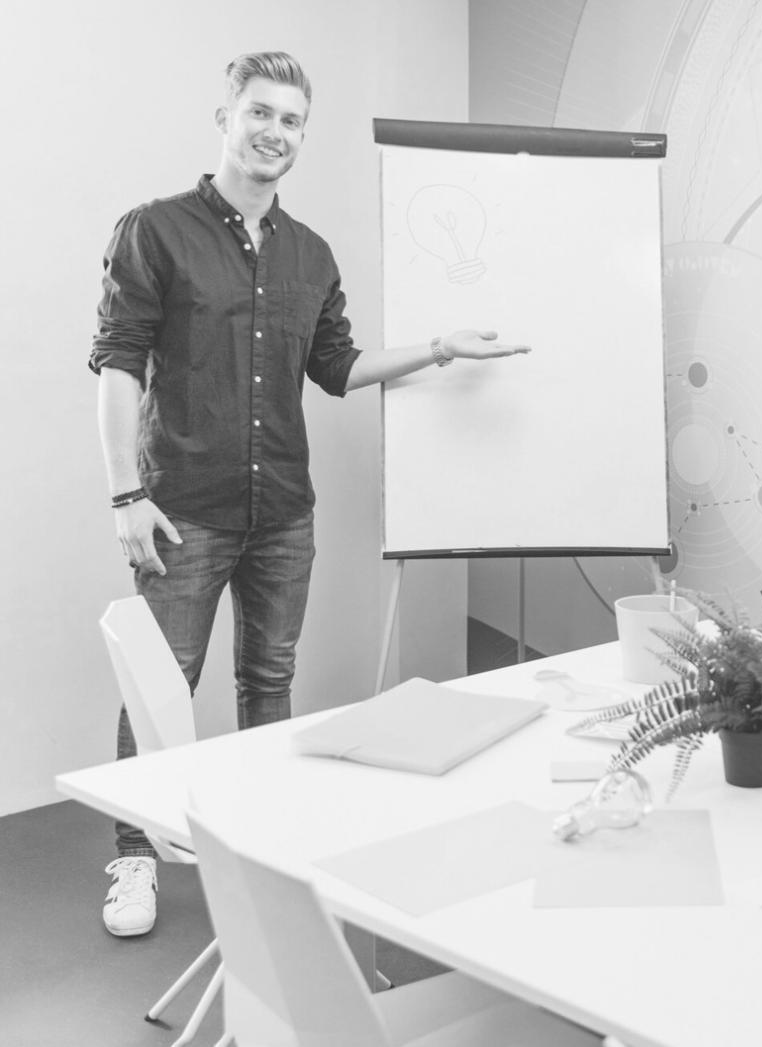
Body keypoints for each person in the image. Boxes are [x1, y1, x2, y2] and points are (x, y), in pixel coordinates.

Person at [89, 52, 529, 936]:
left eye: (292, 121)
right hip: (184, 508)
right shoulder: (156, 231)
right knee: (161, 683)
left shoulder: (311, 254)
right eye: (260, 113)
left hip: (285, 511)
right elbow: (118, 364)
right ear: (226, 114)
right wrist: (125, 494)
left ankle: (262, 850)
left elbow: (337, 367)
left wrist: (438, 346)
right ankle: (134, 857)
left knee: (269, 678)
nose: (275, 133)